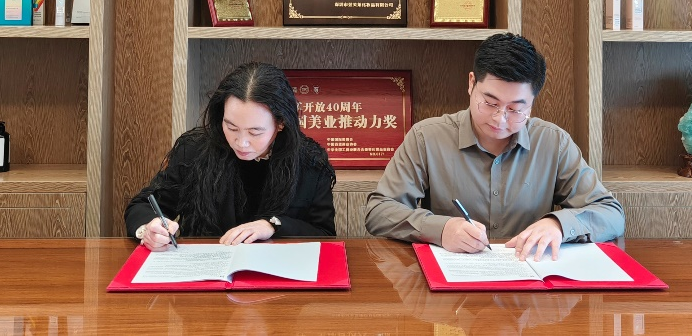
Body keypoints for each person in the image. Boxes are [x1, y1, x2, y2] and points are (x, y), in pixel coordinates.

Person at [365, 33, 624, 259]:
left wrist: (558, 225)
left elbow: (611, 213)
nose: (500, 119)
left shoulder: (553, 142)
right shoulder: (427, 137)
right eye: (490, 103)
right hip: (453, 283)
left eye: (516, 109)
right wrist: (441, 230)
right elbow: (379, 211)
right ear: (471, 84)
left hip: (528, 280)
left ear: (532, 103)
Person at [126, 62, 337, 248]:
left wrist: (273, 225)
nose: (241, 142)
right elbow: (143, 206)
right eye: (231, 127)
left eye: (255, 132)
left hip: (278, 276)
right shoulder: (194, 150)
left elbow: (324, 234)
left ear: (281, 123)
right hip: (206, 270)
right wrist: (149, 229)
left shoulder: (309, 161)